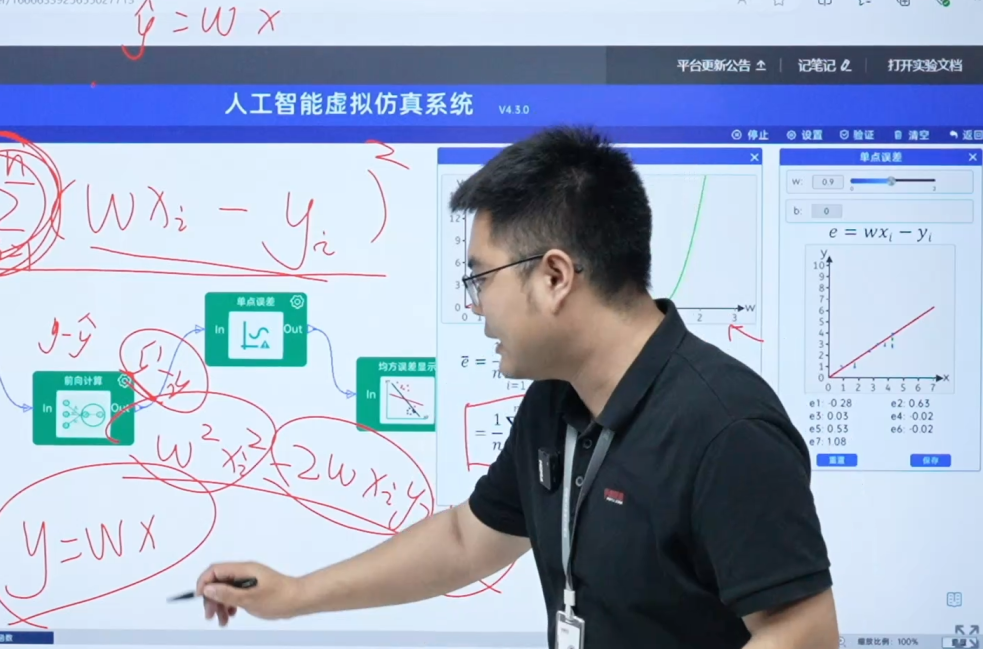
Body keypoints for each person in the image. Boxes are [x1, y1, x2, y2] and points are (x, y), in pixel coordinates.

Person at [194, 126, 839, 649]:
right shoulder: (556, 402)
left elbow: (803, 632)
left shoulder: (726, 428)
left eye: (482, 278)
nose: (476, 304)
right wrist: (295, 595)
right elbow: (467, 540)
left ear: (555, 277)